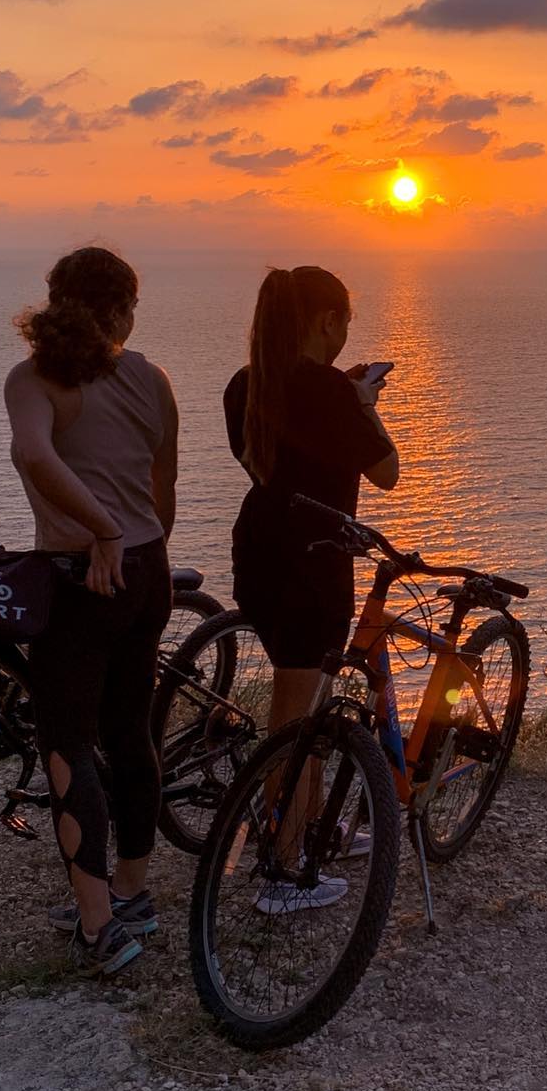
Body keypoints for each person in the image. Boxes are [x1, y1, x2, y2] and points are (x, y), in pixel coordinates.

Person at [6, 246, 178, 975]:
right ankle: (131, 894)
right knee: (129, 732)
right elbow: (161, 484)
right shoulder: (150, 379)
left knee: (67, 742)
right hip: (148, 572)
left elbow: (34, 455)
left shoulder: (34, 379)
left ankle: (98, 925)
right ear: (122, 312)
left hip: (81, 580)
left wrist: (97, 529)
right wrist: (131, 535)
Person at [224, 266, 399, 912]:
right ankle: (282, 868)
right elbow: (388, 472)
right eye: (344, 321)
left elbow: (262, 464)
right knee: (295, 720)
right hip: (314, 562)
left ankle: (316, 828)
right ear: (328, 321)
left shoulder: (246, 384)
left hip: (260, 553)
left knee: (308, 698)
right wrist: (363, 407)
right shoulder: (329, 390)